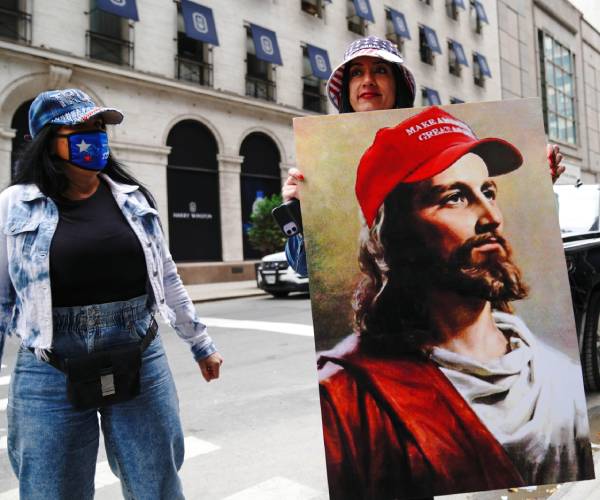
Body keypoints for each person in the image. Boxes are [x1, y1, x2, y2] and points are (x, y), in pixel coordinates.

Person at [317, 106, 593, 500]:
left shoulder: (556, 375)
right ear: (393, 233)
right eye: (455, 197)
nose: (491, 216)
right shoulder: (346, 398)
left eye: (488, 192)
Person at [0, 88, 223, 499]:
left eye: (99, 126)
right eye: (81, 128)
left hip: (140, 351)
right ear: (50, 140)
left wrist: (200, 343)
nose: (95, 136)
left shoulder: (134, 199)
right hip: (49, 364)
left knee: (156, 484)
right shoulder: (14, 205)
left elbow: (167, 275)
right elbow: (0, 302)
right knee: (51, 489)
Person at [282, 36, 566, 276]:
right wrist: (299, 214)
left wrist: (542, 189)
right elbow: (306, 267)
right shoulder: (321, 158)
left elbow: (533, 247)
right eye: (356, 72)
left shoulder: (439, 130)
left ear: (398, 85)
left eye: (381, 70)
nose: (367, 80)